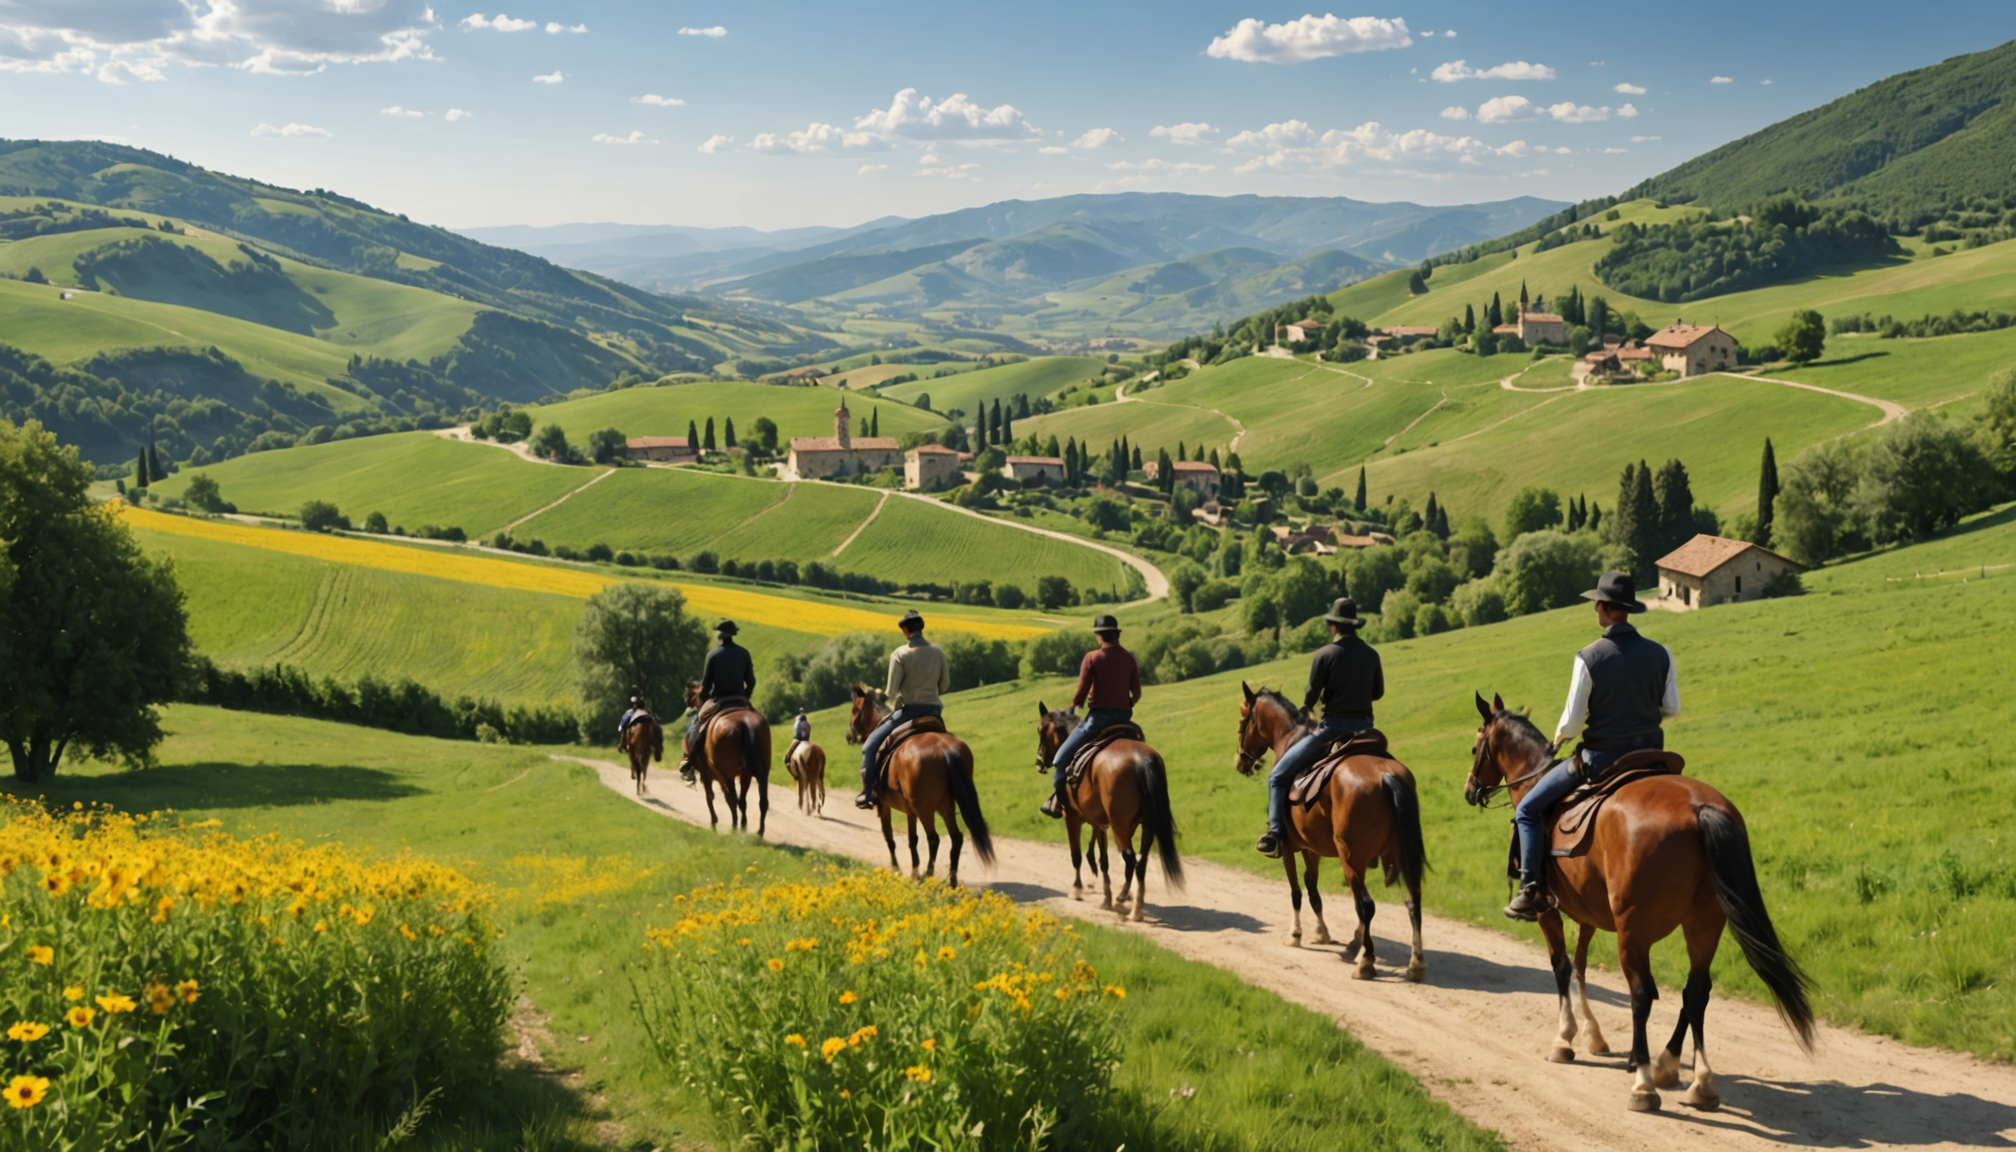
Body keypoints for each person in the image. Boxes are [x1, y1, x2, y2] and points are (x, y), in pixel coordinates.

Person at [1504, 571, 1681, 921]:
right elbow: (1671, 709)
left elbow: (1571, 723)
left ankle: (1530, 889)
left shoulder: (1589, 657)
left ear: (1602, 607)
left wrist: (1558, 739)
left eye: (1595, 604)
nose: (1594, 610)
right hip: (1651, 757)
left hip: (1603, 759)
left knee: (1526, 808)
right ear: (1628, 609)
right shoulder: (1662, 653)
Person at [1257, 598, 1382, 859]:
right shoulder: (1372, 654)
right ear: (1355, 626)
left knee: (1277, 777)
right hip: (1367, 731)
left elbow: (1312, 693)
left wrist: (1307, 706)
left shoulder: (1325, 655)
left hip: (1332, 729)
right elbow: (1378, 692)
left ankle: (1275, 834)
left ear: (1334, 626)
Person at [1042, 615, 1141, 818]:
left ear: (1098, 635)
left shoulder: (1092, 657)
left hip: (1098, 721)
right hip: (1124, 721)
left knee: (1060, 760)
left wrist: (1074, 705)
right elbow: (1136, 693)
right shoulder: (1129, 658)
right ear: (1116, 634)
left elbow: (1081, 693)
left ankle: (1058, 804)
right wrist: (1128, 703)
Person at [855, 610, 949, 810]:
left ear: (905, 630)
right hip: (934, 712)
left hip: (910, 713)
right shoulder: (938, 652)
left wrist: (880, 697)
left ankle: (867, 792)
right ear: (921, 628)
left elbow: (890, 692)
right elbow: (944, 686)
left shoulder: (899, 654)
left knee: (870, 746)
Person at [678, 619, 756, 782]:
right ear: (733, 634)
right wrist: (745, 697)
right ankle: (758, 759)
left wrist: (703, 700)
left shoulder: (713, 655)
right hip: (740, 698)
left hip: (718, 699)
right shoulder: (744, 653)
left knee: (696, 724)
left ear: (720, 636)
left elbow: (706, 685)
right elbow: (752, 681)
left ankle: (690, 760)